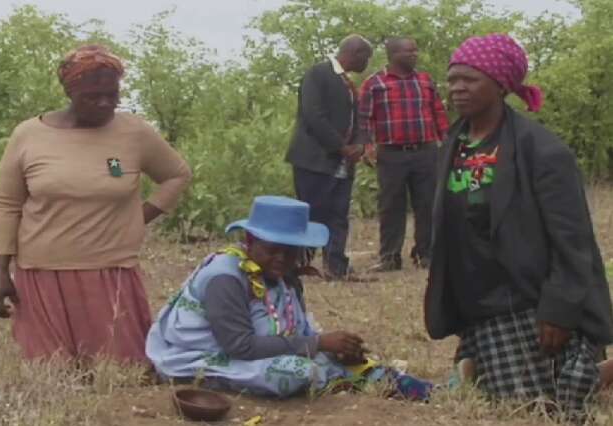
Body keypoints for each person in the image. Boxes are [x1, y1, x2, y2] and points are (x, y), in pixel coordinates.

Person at [425, 34, 613, 419]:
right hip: (478, 299)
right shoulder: (453, 144)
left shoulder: (542, 150)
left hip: (528, 298)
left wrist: (558, 310)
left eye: (470, 79)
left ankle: (597, 371)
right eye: (453, 79)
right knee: (505, 397)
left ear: (501, 84)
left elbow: (572, 239)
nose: (457, 88)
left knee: (544, 408)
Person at [0, 45, 192, 364]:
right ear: (70, 91)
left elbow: (177, 175)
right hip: (43, 273)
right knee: (53, 375)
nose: (105, 103)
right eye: (93, 96)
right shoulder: (29, 135)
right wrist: (0, 272)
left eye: (112, 94)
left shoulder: (134, 132)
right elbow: (6, 204)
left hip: (110, 273)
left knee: (123, 372)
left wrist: (140, 218)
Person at [147, 196, 433, 399]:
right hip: (205, 358)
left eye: (291, 251)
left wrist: (331, 347)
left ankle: (412, 387)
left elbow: (294, 330)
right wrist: (318, 344)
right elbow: (239, 346)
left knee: (331, 361)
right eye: (272, 249)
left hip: (252, 353)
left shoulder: (284, 276)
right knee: (296, 372)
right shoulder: (226, 276)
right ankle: (352, 380)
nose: (282, 259)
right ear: (250, 241)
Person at [285, 35, 374, 282]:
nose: (367, 63)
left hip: (342, 163)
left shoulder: (347, 82)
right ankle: (299, 265)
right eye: (366, 58)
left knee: (338, 214)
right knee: (311, 212)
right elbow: (313, 116)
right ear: (355, 53)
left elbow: (356, 120)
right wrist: (341, 147)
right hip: (314, 159)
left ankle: (337, 267)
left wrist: (358, 145)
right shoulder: (318, 73)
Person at [357, 37, 449, 272]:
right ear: (393, 54)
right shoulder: (374, 83)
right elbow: (364, 119)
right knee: (391, 206)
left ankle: (425, 254)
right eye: (409, 51)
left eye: (415, 50)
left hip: (425, 150)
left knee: (427, 204)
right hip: (391, 153)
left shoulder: (425, 80)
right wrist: (367, 147)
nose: (414, 54)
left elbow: (438, 112)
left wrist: (446, 140)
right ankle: (390, 257)